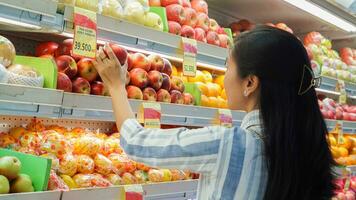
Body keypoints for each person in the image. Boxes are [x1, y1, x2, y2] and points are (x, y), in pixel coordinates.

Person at [93, 26, 335, 200]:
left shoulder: (229, 145)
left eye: (228, 66)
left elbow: (137, 142)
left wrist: (115, 86)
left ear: (250, 83)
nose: (224, 76)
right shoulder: (307, 146)